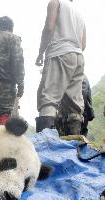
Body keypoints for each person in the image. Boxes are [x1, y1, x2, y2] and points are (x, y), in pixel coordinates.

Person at [35, 0, 86, 134]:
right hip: (78, 57)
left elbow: (49, 28)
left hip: (60, 52)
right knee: (73, 104)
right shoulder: (79, 13)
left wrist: (41, 52)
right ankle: (73, 142)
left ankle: (44, 144)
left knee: (49, 98)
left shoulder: (55, 2)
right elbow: (83, 44)